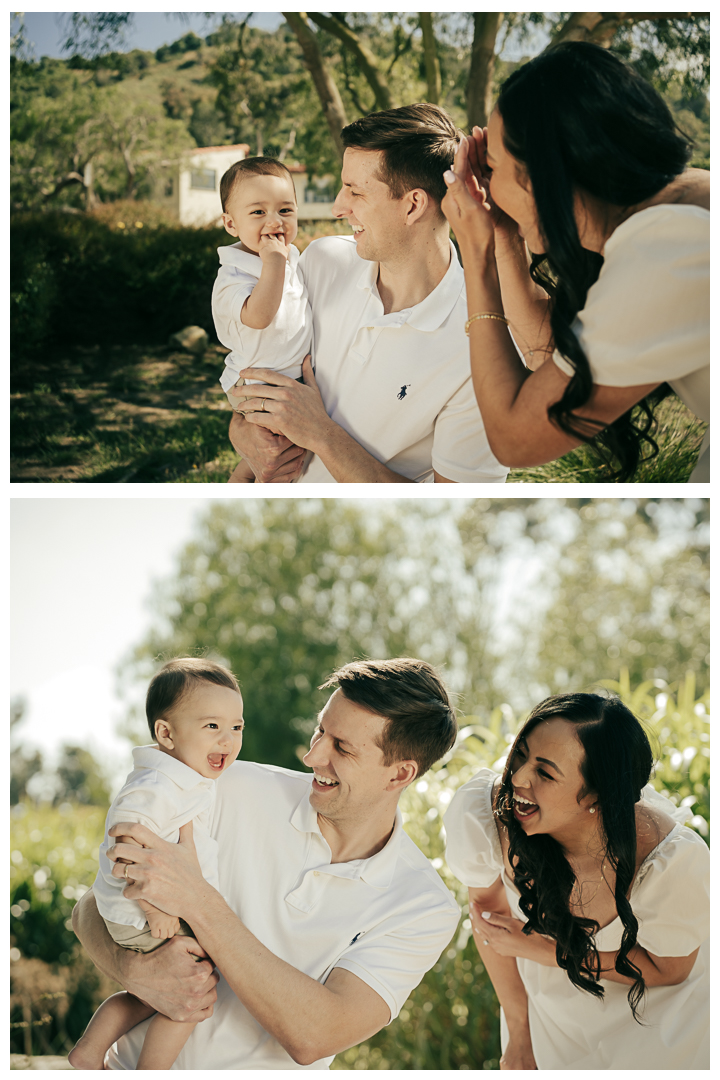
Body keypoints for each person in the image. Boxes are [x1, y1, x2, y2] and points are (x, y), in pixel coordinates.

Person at [72, 658, 461, 1070]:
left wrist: (198, 901)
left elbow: (316, 1034)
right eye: (320, 731)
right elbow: (88, 910)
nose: (312, 756)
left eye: (341, 747)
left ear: (400, 774)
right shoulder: (220, 786)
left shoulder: (423, 906)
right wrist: (134, 969)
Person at [440, 42, 709, 482]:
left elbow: (514, 437)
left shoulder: (666, 252)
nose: (490, 184)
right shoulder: (678, 205)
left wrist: (476, 254)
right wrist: (505, 233)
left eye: (494, 167)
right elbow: (549, 354)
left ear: (540, 176)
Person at [227, 103, 508, 484]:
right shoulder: (321, 261)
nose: (338, 207)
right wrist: (242, 432)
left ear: (413, 205)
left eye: (355, 192)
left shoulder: (485, 351)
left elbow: (450, 511)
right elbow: (265, 366)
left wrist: (322, 435)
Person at [443, 692, 709, 1070]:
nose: (518, 777)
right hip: (553, 1018)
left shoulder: (670, 861)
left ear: (597, 794)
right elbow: (489, 918)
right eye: (520, 754)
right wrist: (520, 1034)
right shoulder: (489, 817)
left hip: (661, 1022)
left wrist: (541, 951)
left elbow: (669, 970)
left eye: (545, 772)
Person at [68, 658, 245, 1070]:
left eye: (236, 727)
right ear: (166, 733)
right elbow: (126, 845)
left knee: (151, 994)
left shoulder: (183, 778)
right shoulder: (156, 786)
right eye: (212, 726)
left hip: (144, 910)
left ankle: (90, 1051)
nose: (228, 740)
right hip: (141, 912)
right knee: (192, 993)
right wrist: (156, 909)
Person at [211, 157, 313, 484]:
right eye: (258, 212)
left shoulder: (291, 257)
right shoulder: (233, 275)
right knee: (276, 456)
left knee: (285, 456)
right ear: (231, 224)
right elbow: (259, 316)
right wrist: (273, 265)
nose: (274, 221)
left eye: (285, 210)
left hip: (287, 380)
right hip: (256, 385)